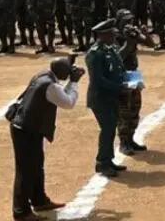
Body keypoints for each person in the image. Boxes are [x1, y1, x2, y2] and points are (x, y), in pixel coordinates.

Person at [8, 57, 83, 221]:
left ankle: (39, 200)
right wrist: (74, 82)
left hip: (27, 127)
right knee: (26, 170)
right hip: (26, 130)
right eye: (68, 70)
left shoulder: (43, 75)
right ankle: (21, 211)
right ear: (62, 72)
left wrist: (70, 79)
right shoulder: (51, 85)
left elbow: (59, 93)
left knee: (36, 165)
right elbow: (68, 102)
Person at [85, 19, 136, 177]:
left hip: (112, 96)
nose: (114, 36)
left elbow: (118, 66)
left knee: (111, 128)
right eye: (111, 34)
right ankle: (102, 162)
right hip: (100, 98)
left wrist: (130, 81)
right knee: (107, 130)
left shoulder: (111, 48)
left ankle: (108, 160)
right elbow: (98, 80)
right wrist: (120, 87)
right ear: (103, 35)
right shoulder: (94, 54)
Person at [114, 9, 155, 156]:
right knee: (124, 110)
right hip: (121, 76)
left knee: (135, 107)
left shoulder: (131, 33)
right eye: (126, 21)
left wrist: (145, 33)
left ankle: (130, 139)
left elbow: (151, 44)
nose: (129, 23)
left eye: (131, 20)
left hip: (133, 75)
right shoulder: (114, 37)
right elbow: (118, 57)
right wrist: (129, 42)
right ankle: (124, 143)